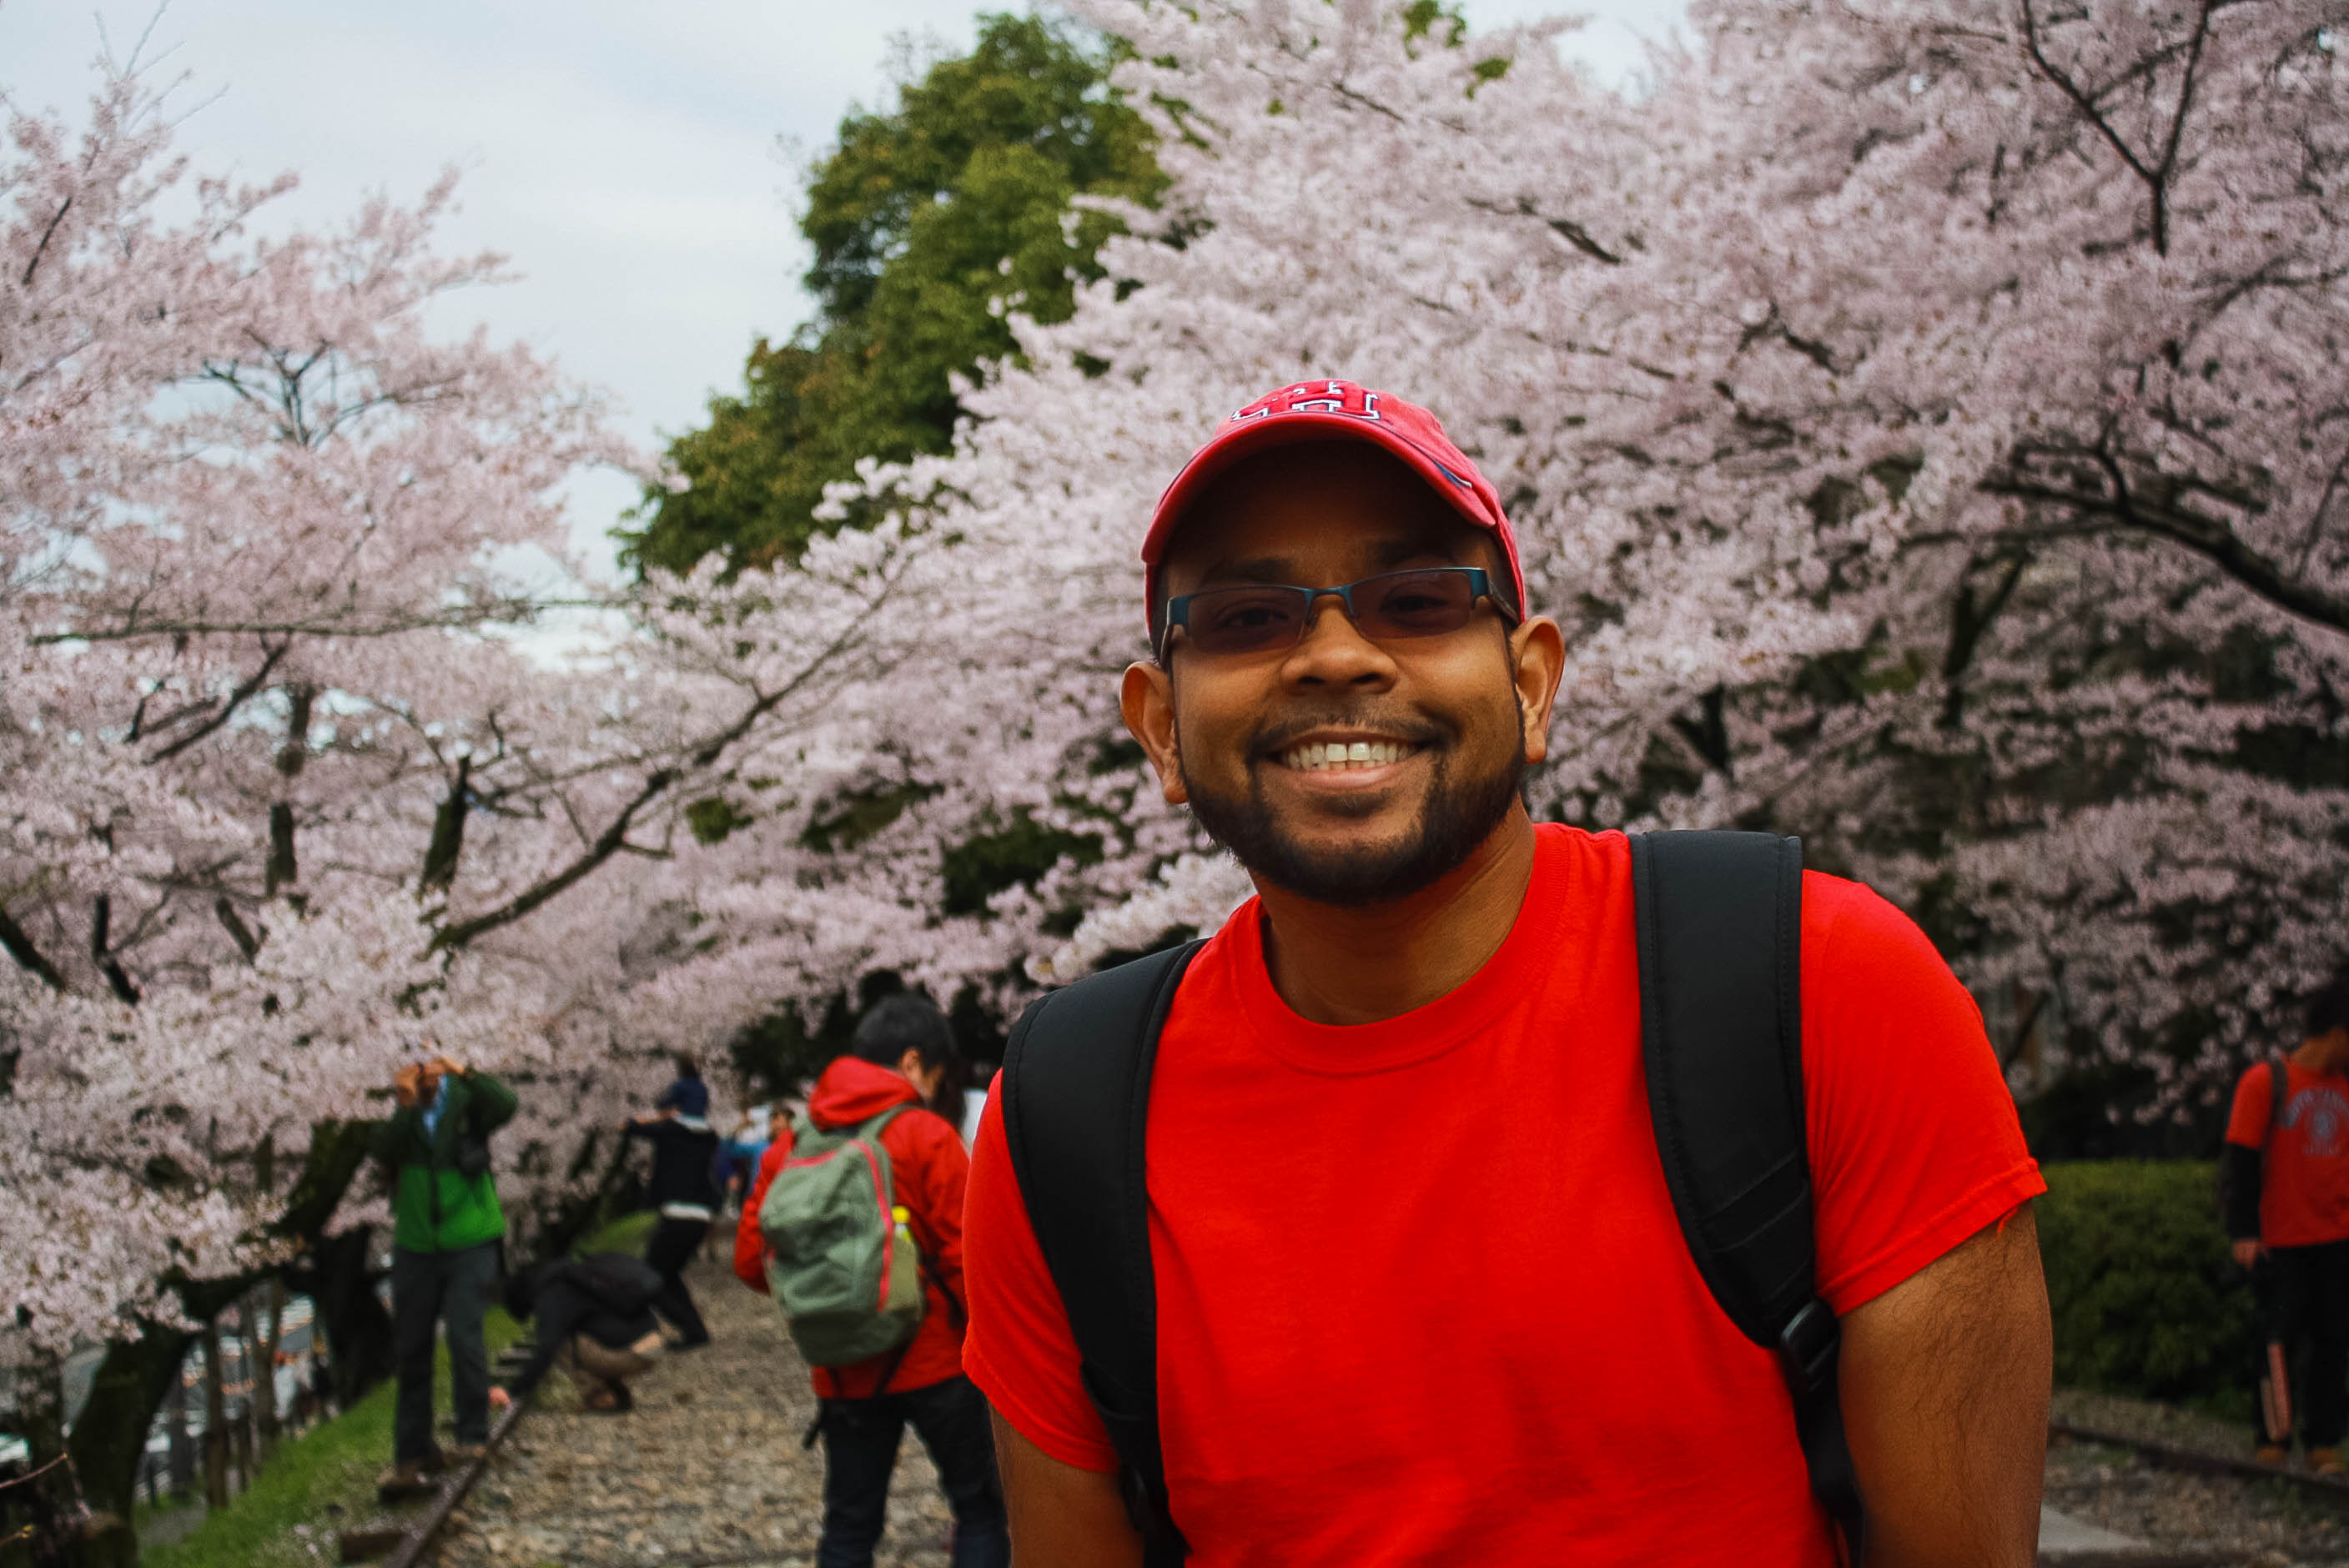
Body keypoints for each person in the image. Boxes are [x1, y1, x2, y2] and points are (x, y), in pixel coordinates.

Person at [959, 379, 2054, 1565]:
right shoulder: (1068, 1117)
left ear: (1532, 684)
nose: (1335, 657)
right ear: (1162, 727)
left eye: (1420, 601)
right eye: (1243, 618)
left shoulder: (1829, 987)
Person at [734, 994, 1008, 1568]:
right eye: (937, 1073)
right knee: (981, 1510)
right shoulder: (923, 1134)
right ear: (913, 1064)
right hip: (938, 1363)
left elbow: (750, 1263)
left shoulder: (790, 1147)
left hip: (841, 1366)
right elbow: (971, 1257)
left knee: (850, 1525)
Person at [2223, 965, 2349, 1473]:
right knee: (2276, 1339)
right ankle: (2272, 1435)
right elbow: (2241, 1160)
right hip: (2282, 1238)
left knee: (2333, 1342)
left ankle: (2324, 1440)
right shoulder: (2266, 1082)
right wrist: (2244, 1231)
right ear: (2338, 1034)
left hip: (2337, 1235)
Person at [370, 1049, 516, 1487]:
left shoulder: (467, 1102)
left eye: (430, 1070)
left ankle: (472, 1435)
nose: (424, 1077)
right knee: (412, 1347)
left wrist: (464, 1071)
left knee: (464, 1334)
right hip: (416, 1244)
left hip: (471, 1238)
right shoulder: (406, 1115)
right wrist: (404, 1104)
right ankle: (410, 1453)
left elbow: (506, 1105)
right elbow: (381, 1147)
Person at [623, 1086, 723, 1349]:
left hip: (677, 1215)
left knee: (650, 1277)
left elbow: (630, 1126)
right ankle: (696, 1331)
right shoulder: (709, 1136)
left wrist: (656, 1118)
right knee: (669, 1274)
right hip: (700, 1216)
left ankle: (690, 1328)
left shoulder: (670, 1131)